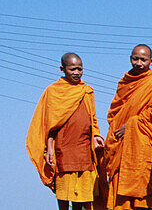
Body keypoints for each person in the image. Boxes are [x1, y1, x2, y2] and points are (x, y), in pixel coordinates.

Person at [26, 52, 105, 210]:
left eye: (80, 69)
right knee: (63, 194)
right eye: (72, 69)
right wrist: (49, 149)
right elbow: (49, 125)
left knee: (81, 198)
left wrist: (96, 136)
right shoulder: (53, 92)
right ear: (62, 69)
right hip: (63, 149)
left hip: (84, 150)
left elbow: (93, 119)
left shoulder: (87, 91)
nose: (76, 73)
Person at [104, 44, 152, 210]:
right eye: (135, 58)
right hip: (120, 143)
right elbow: (114, 112)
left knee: (142, 188)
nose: (139, 63)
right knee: (119, 189)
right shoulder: (124, 82)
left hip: (142, 142)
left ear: (151, 61)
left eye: (143, 59)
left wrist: (131, 124)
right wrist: (120, 127)